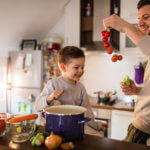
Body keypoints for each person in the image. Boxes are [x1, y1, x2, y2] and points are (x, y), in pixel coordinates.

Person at [103, 0, 150, 145]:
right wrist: (138, 90)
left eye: (146, 17)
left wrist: (125, 26)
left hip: (145, 130)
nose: (141, 23)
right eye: (139, 19)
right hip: (139, 126)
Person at [35, 46, 108, 136]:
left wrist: (96, 125)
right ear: (63, 67)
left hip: (74, 127)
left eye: (82, 67)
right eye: (76, 67)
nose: (81, 71)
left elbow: (87, 111)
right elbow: (37, 106)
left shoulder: (81, 88)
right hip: (53, 129)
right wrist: (50, 98)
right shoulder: (53, 84)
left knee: (98, 136)